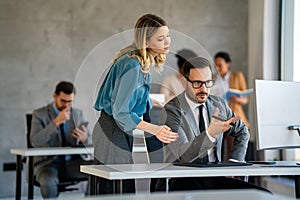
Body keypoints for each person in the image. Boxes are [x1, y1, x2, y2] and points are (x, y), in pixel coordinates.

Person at [92, 13, 178, 194]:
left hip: (118, 129)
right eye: (161, 38)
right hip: (112, 129)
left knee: (123, 189)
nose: (167, 42)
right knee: (118, 190)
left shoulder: (140, 60)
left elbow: (131, 95)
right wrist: (155, 129)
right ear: (146, 42)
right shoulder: (133, 65)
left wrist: (151, 101)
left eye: (168, 36)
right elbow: (121, 112)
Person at [157, 56, 268, 192]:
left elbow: (242, 131)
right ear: (185, 82)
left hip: (215, 177)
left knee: (264, 195)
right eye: (197, 83)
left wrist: (235, 161)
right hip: (183, 179)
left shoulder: (218, 104)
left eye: (207, 82)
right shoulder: (171, 110)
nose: (204, 89)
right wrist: (210, 134)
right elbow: (184, 156)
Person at [30, 81, 92, 198]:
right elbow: (34, 141)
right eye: (63, 101)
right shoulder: (39, 114)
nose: (67, 105)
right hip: (47, 164)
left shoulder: (78, 114)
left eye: (70, 102)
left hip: (72, 163)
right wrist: (56, 122)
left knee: (97, 171)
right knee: (48, 180)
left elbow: (90, 142)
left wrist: (84, 139)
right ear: (55, 96)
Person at [213, 51, 250, 159]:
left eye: (220, 65)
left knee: (232, 148)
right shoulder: (213, 77)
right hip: (217, 115)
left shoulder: (237, 76)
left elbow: (245, 99)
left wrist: (238, 99)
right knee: (217, 149)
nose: (217, 68)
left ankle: (232, 174)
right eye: (216, 65)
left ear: (228, 63)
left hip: (233, 114)